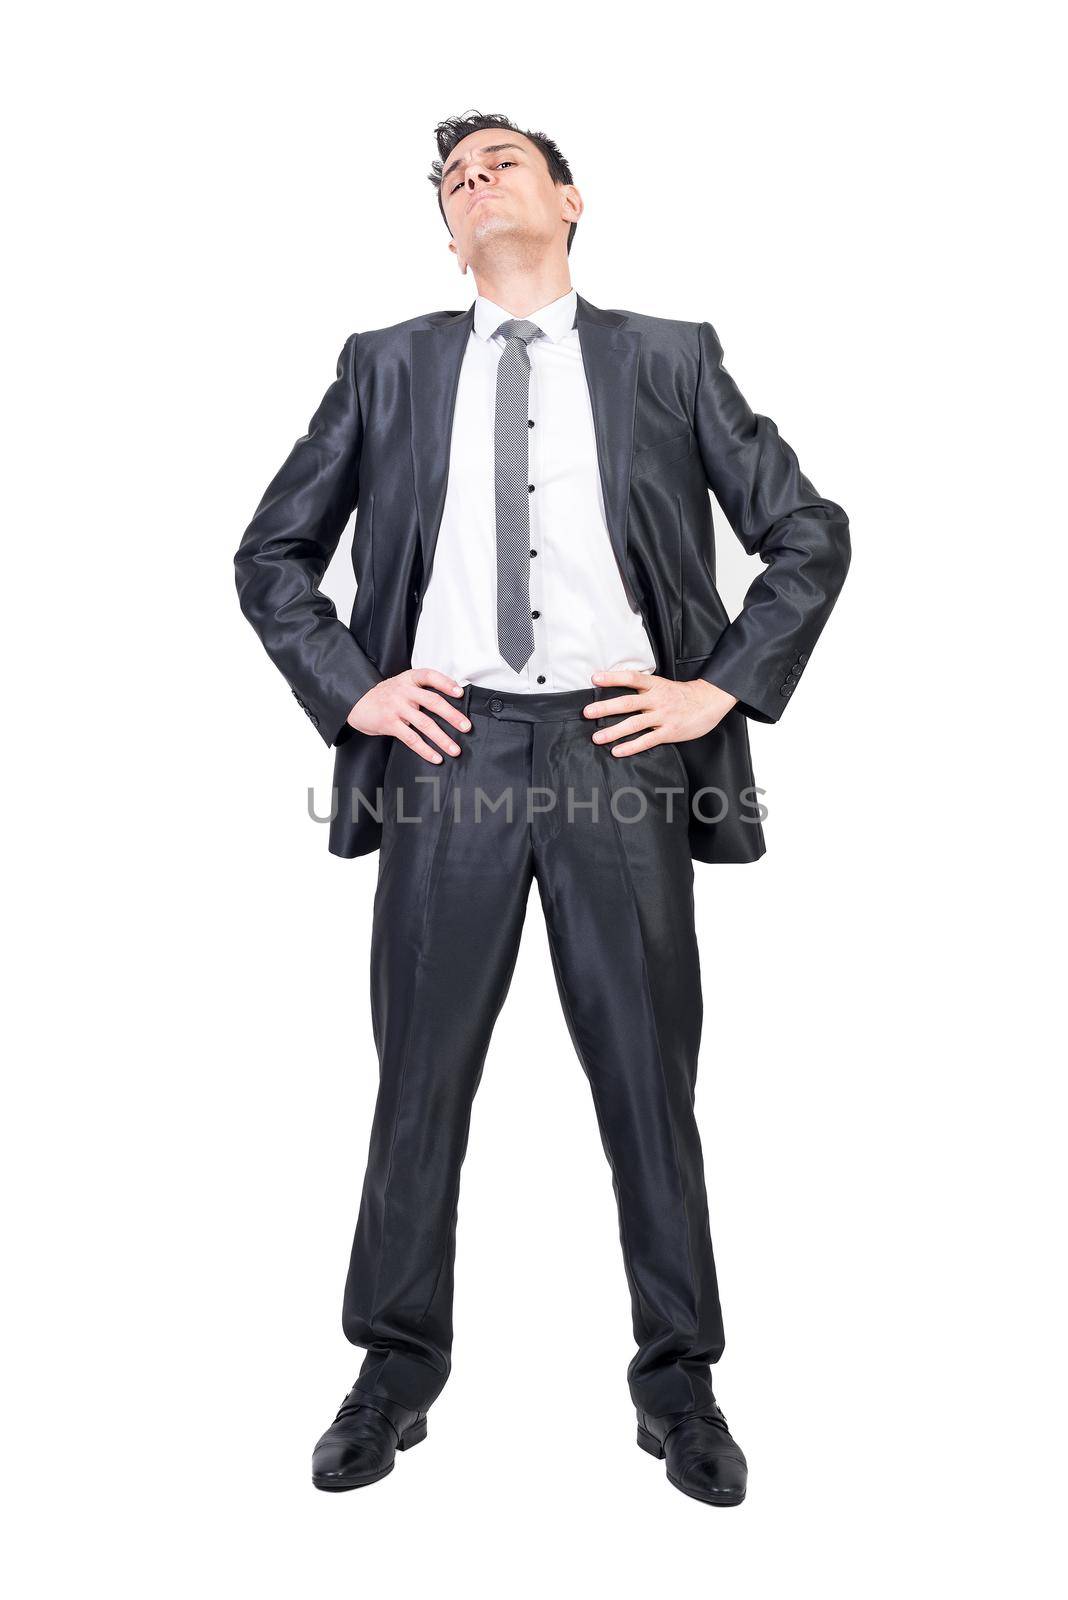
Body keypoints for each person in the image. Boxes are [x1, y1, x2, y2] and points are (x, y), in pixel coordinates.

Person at [234, 109, 851, 1506]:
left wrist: (718, 691)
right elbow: (272, 553)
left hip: (620, 750)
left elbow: (808, 533)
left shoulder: (670, 358)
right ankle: (394, 1371)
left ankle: (679, 1381)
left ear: (570, 198)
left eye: (500, 161)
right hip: (447, 751)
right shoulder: (384, 367)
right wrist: (355, 690)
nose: (473, 182)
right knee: (422, 1077)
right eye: (452, 180)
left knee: (647, 1076)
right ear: (445, 233)